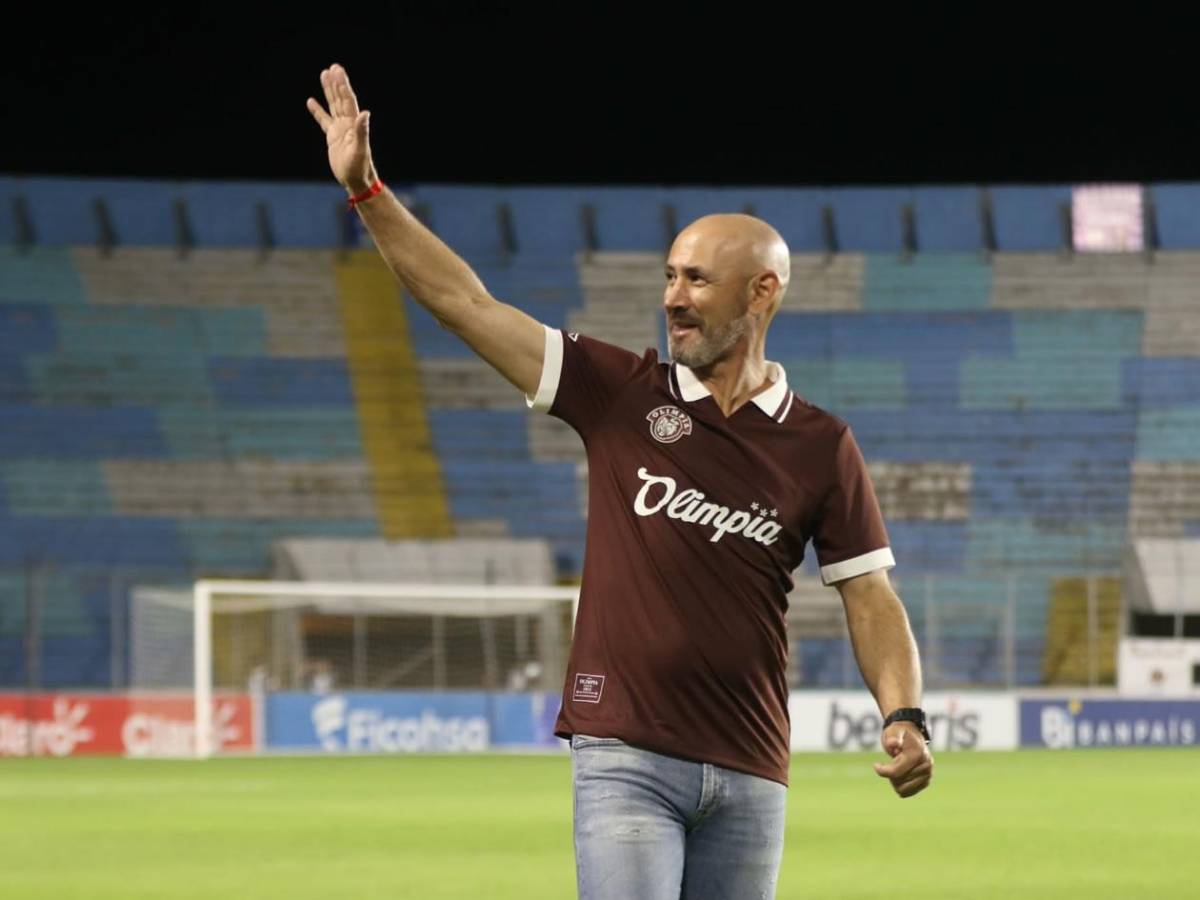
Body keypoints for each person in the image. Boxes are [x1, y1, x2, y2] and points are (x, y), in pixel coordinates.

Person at [307, 62, 933, 900]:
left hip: (752, 767)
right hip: (625, 754)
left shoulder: (821, 443)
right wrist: (369, 192)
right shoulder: (619, 392)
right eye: (669, 276)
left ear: (763, 292)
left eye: (697, 281)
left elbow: (871, 597)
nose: (673, 298)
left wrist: (904, 713)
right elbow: (468, 304)